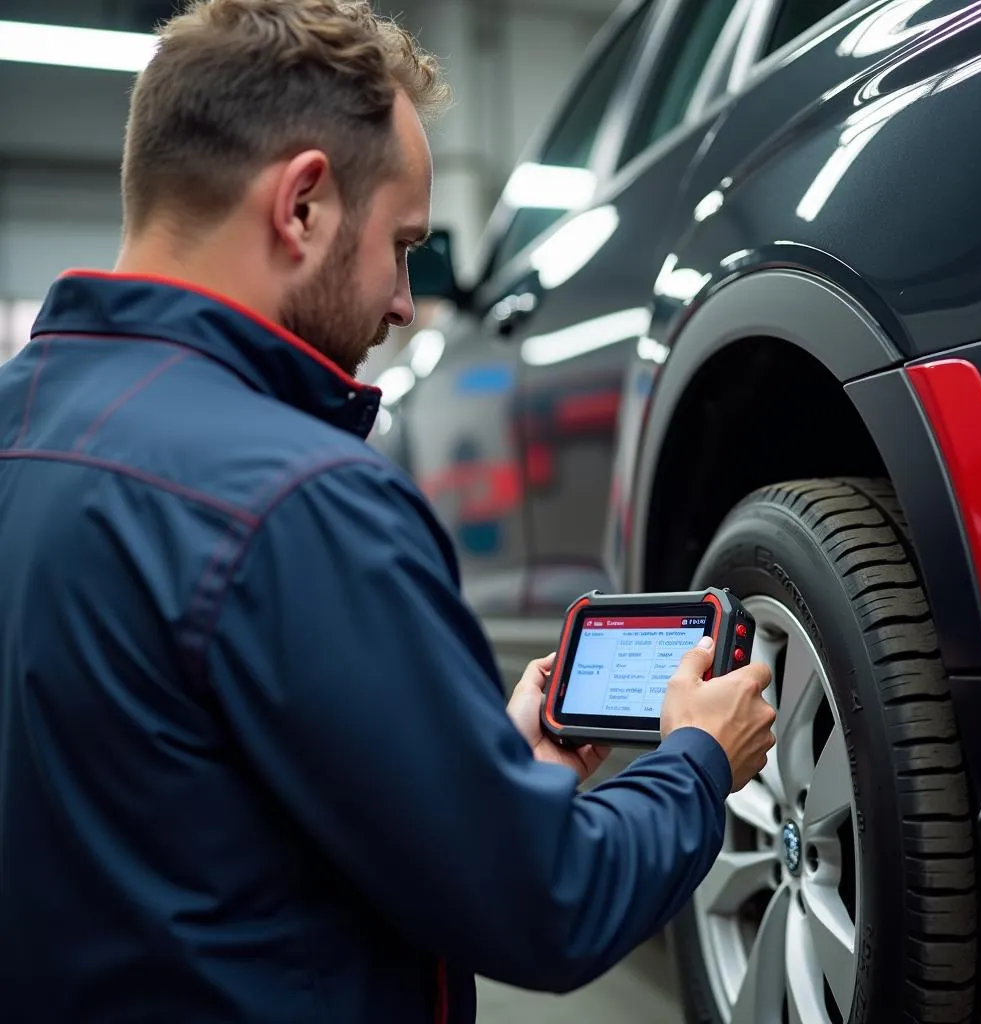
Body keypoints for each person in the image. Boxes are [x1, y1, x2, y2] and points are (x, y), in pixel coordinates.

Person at [0, 1, 776, 1021]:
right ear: (305, 207)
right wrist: (696, 761)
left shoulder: (22, 425)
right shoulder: (301, 498)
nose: (407, 302)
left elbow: (170, 786)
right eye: (403, 245)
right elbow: (548, 903)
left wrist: (463, 767)